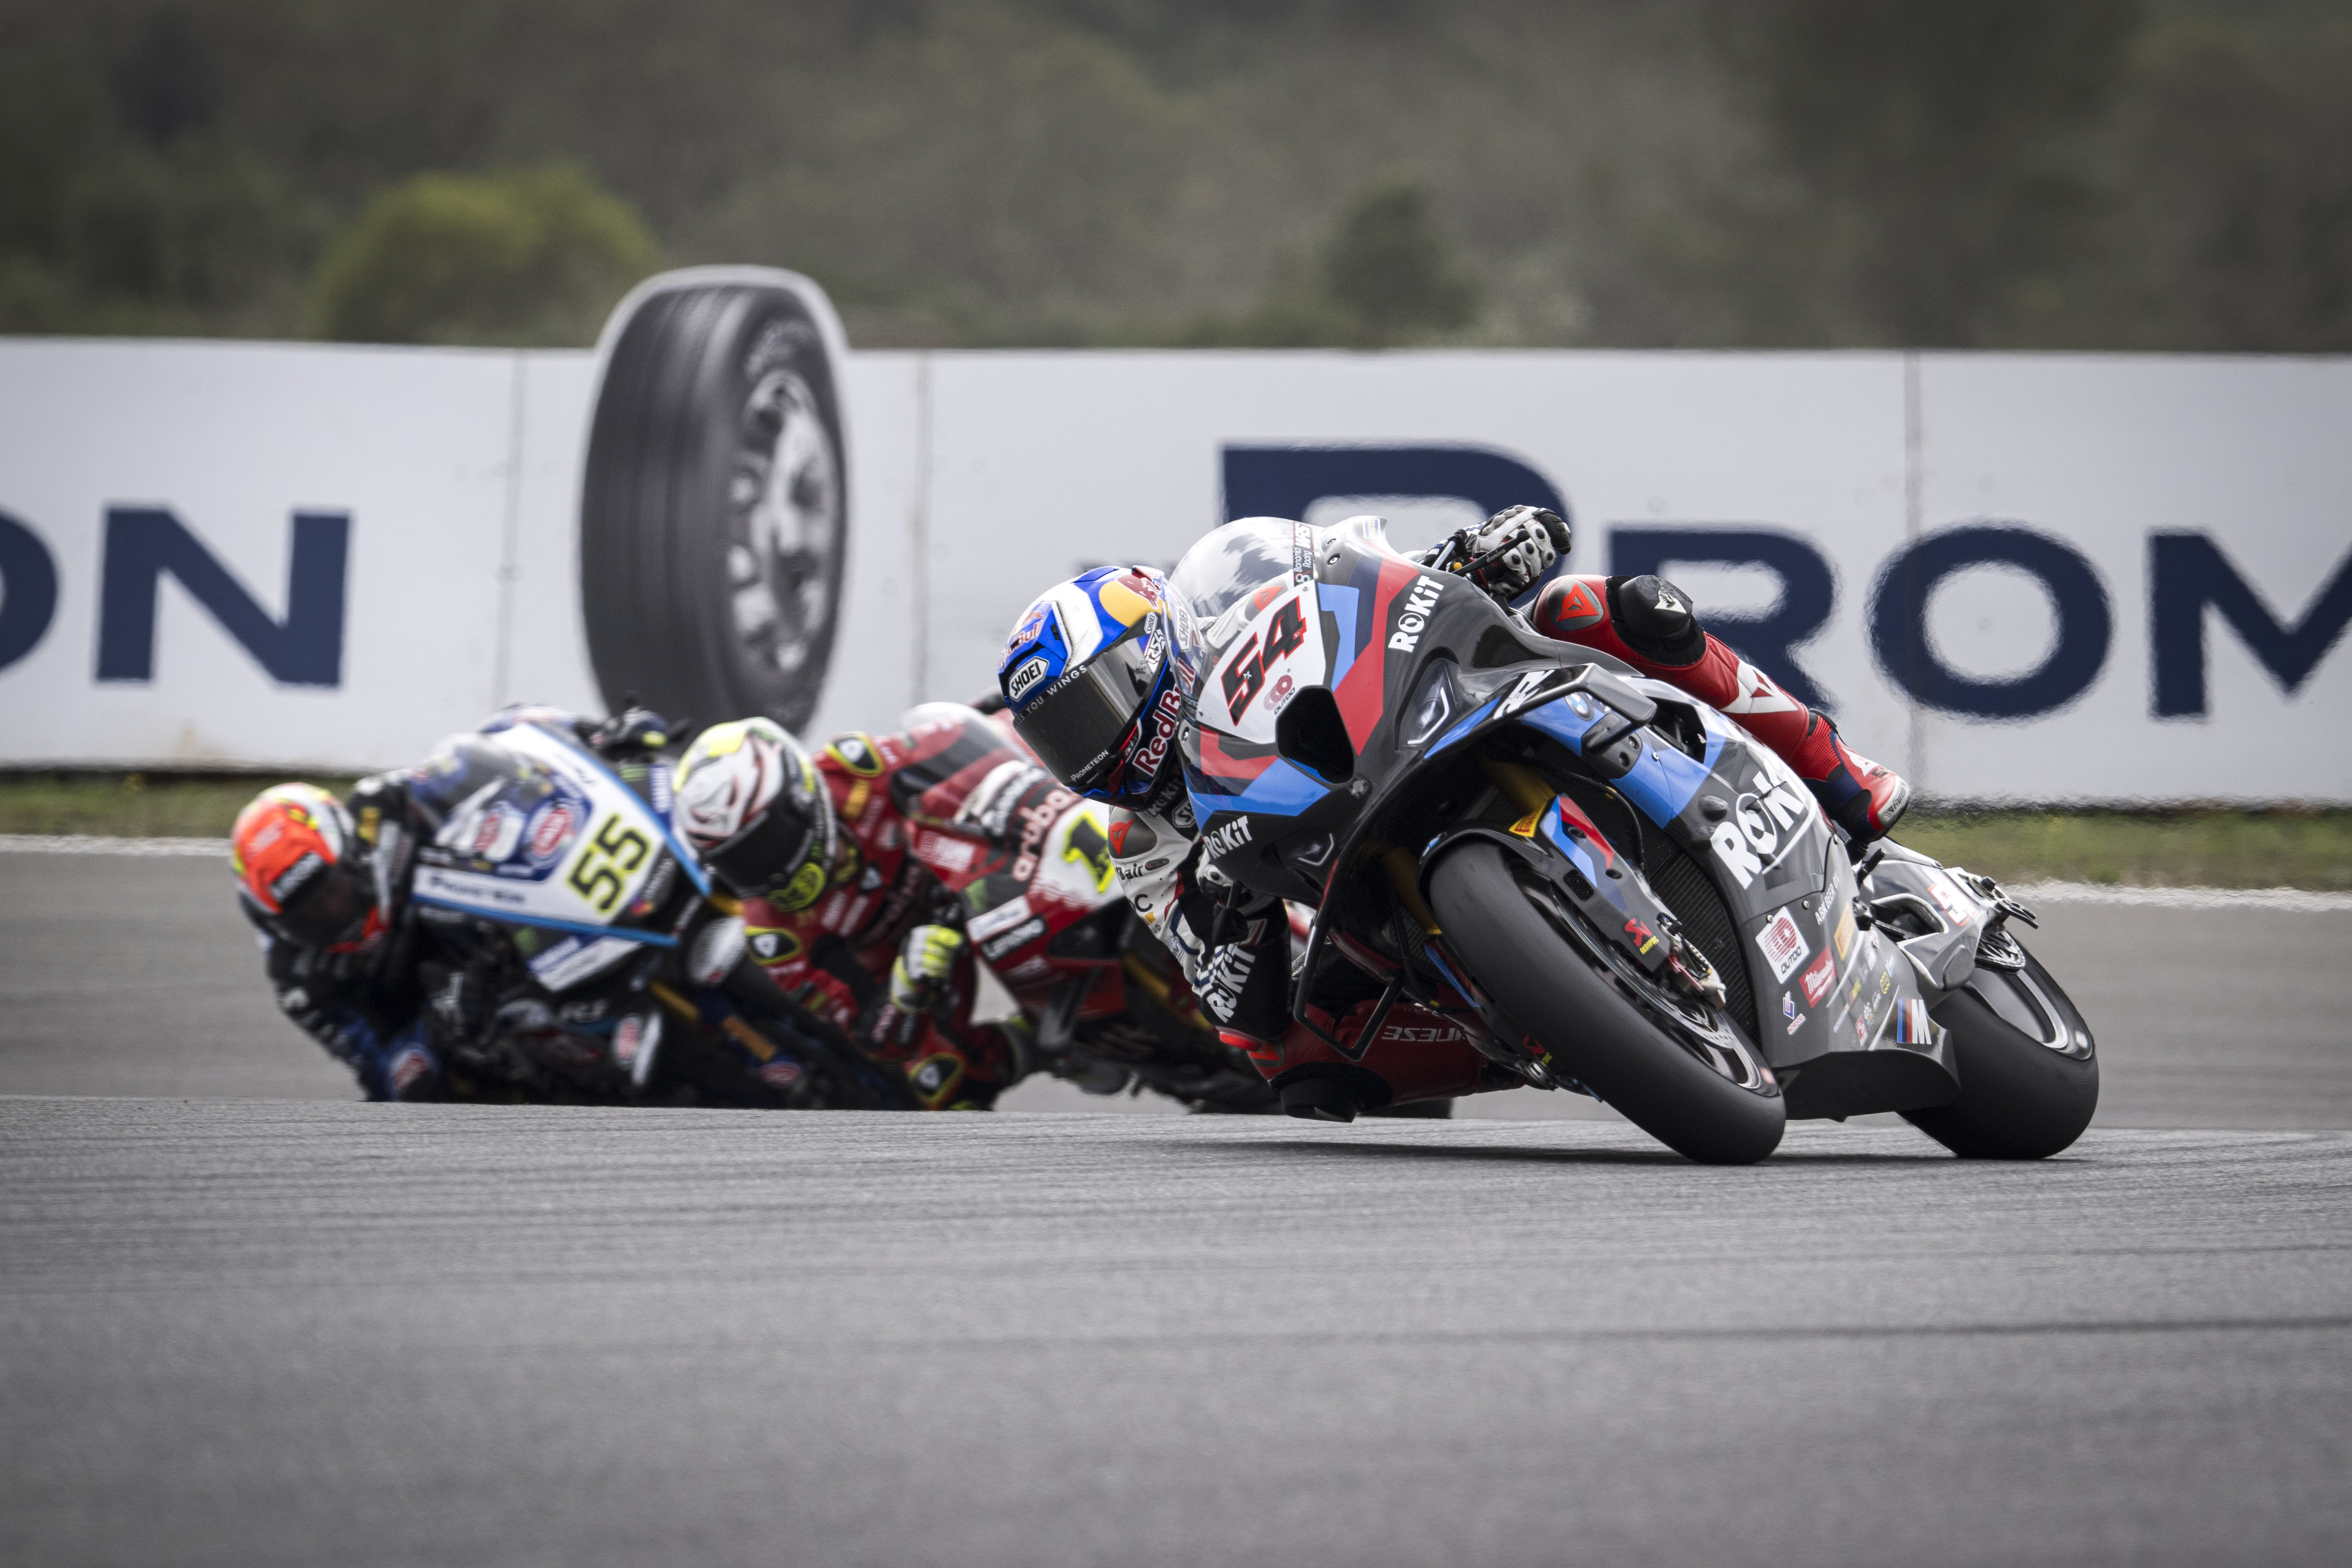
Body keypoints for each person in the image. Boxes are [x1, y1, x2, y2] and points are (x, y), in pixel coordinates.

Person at [991, 507, 1911, 1102]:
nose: (1091, 744)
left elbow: (1368, 572)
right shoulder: (1143, 841)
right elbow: (1241, 1004)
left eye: (1096, 704)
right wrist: (1226, 906)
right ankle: (1553, 1029)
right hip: (1352, 904)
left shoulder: (1239, 585)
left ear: (1154, 646)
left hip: (1419, 715)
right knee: (1293, 1065)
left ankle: (1838, 774)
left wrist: (1475, 554)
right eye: (1062, 736)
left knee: (1597, 607)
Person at [229, 707, 676, 1102]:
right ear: (276, 925)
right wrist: (439, 1026)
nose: (334, 914)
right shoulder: (300, 981)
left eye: (336, 891)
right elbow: (386, 1075)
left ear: (353, 851)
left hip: (518, 918)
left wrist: (595, 736)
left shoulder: (383, 807)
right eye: (310, 918)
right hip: (462, 1022)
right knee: (438, 1081)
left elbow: (506, 730)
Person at [668, 711, 1033, 1109]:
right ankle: (1038, 1045)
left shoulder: (852, 766)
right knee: (941, 1082)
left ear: (802, 797)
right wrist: (903, 994)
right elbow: (873, 1038)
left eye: (769, 842)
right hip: (915, 961)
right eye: (740, 862)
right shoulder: (774, 938)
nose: (769, 871)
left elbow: (960, 741)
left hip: (969, 877)